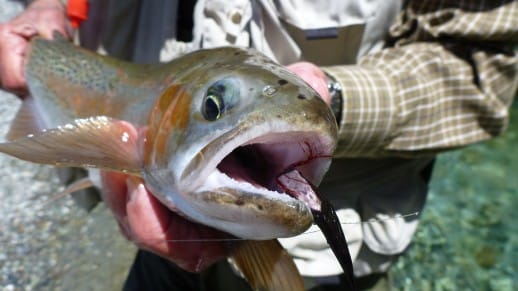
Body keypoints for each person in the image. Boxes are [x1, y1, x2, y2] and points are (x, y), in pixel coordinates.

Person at [1, 0, 517, 290]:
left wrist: (335, 100)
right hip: (158, 259)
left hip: (329, 274)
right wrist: (51, 8)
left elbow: (480, 67)